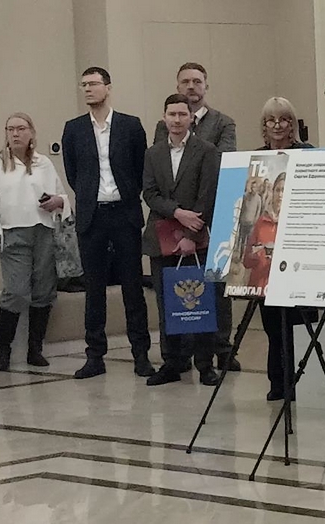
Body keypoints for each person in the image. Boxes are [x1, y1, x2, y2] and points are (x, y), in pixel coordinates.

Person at [61, 67, 154, 379]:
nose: (88, 89)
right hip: (93, 216)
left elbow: (140, 168)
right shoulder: (73, 129)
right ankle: (94, 356)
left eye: (94, 83)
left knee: (132, 287)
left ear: (108, 87)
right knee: (94, 289)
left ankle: (141, 354)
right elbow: (73, 173)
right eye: (84, 84)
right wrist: (91, 196)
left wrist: (125, 194)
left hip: (124, 213)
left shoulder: (130, 125)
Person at [154, 62, 239, 373]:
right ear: (177, 87)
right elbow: (163, 169)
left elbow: (221, 163)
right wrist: (178, 212)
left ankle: (222, 350)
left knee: (215, 288)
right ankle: (181, 355)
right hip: (175, 219)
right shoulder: (163, 125)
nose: (191, 86)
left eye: (197, 81)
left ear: (206, 86)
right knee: (179, 285)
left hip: (214, 213)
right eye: (185, 82)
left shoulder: (223, 123)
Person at [0, 113, 71, 371]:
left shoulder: (44, 163)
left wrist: (57, 201)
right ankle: (3, 351)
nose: (15, 134)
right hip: (14, 232)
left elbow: (61, 195)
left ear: (31, 132)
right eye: (10, 129)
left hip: (43, 230)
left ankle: (35, 349)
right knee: (17, 290)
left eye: (20, 128)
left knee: (43, 290)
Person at [142, 94, 220, 387]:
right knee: (167, 304)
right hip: (162, 240)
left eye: (182, 115)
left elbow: (208, 195)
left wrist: (191, 233)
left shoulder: (206, 151)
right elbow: (150, 193)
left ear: (190, 118)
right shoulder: (153, 153)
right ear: (164, 118)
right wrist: (177, 213)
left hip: (195, 239)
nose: (176, 120)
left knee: (201, 302)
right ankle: (172, 363)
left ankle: (205, 365)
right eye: (171, 114)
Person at [257, 97, 314, 401]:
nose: (277, 125)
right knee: (272, 324)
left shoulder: (309, 154)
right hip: (268, 256)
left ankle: (303, 381)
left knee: (300, 322)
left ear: (293, 124)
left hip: (302, 252)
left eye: (284, 119)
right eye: (271, 120)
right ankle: (277, 382)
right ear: (264, 125)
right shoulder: (256, 159)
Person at [243, 173, 284, 290]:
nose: (280, 195)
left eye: (284, 190)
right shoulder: (261, 222)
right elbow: (246, 261)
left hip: (280, 289)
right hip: (257, 288)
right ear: (273, 192)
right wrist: (259, 254)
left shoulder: (295, 224)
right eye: (278, 190)